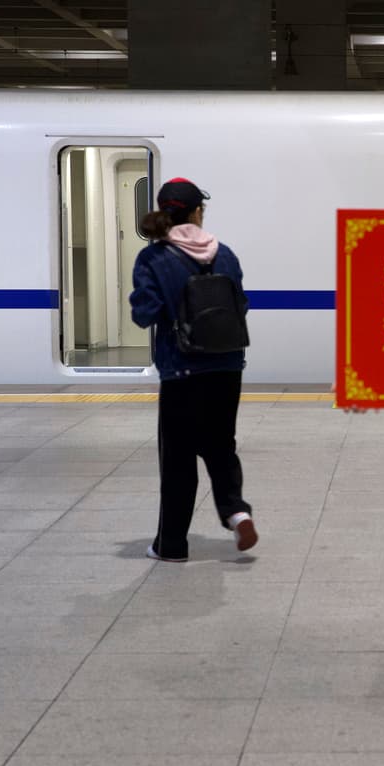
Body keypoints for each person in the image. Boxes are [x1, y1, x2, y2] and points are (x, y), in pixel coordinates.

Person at [129, 177, 258, 561]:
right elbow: (242, 305)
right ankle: (235, 510)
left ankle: (171, 545)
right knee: (221, 446)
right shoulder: (226, 254)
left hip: (182, 371)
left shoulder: (153, 258)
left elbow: (143, 314)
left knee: (178, 460)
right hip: (228, 366)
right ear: (196, 212)